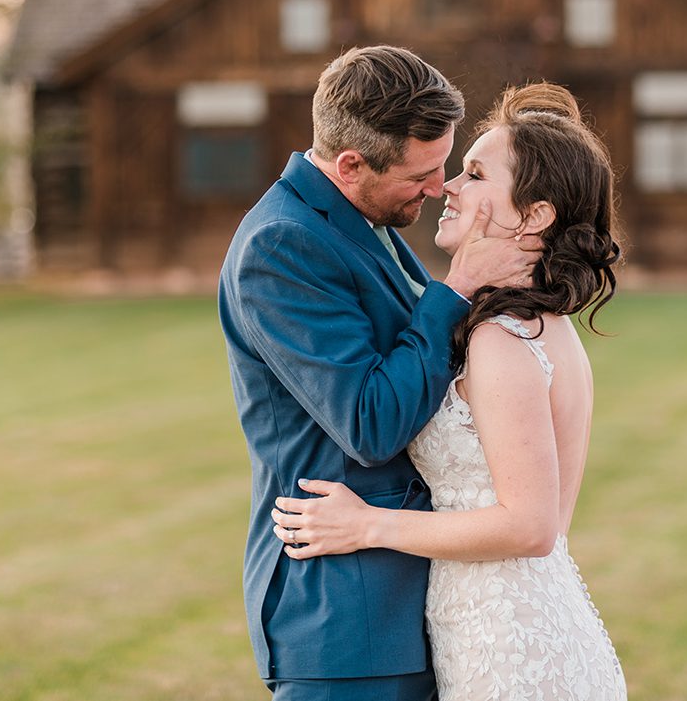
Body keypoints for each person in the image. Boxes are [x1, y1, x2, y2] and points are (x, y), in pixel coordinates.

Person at [269, 82, 628, 700]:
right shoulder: (544, 328)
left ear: (535, 215)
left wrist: (366, 526)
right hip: (509, 621)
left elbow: (533, 527)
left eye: (474, 173)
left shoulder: (502, 340)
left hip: (507, 647)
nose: (449, 188)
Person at [218, 45, 542, 701]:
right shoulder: (282, 245)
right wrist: (457, 289)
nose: (438, 186)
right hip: (347, 618)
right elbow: (369, 422)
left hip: (405, 603)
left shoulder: (362, 219)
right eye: (421, 173)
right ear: (350, 164)